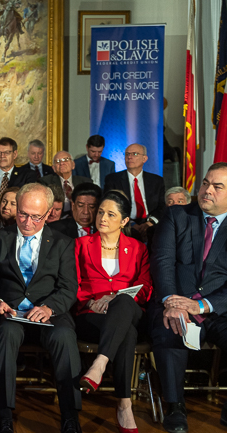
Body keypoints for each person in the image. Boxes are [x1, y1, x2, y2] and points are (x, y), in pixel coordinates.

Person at [0, 183, 82, 433]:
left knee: (64, 336)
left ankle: (70, 415)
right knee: (5, 334)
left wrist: (49, 308)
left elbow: (69, 288)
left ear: (48, 214)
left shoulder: (63, 243)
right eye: (22, 214)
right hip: (11, 313)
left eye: (36, 216)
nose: (27, 222)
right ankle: (3, 415)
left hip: (50, 313)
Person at [149, 162, 227, 432]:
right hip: (176, 303)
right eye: (206, 183)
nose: (207, 190)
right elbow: (162, 261)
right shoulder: (177, 215)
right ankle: (175, 407)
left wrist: (203, 304)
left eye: (218, 187)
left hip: (218, 309)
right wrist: (171, 300)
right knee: (169, 329)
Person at [74, 190, 152, 433]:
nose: (102, 218)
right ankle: (124, 404)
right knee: (126, 333)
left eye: (110, 214)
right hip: (92, 315)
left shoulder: (138, 248)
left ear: (125, 221)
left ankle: (99, 363)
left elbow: (147, 287)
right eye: (100, 212)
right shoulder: (81, 244)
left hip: (130, 308)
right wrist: (88, 302)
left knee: (124, 303)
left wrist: (115, 297)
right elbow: (72, 284)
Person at [104, 143, 166, 239]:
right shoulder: (113, 179)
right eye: (127, 154)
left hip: (151, 223)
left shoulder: (156, 181)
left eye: (135, 154)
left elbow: (162, 206)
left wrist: (150, 222)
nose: (129, 157)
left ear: (144, 158)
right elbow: (111, 206)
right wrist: (131, 223)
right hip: (125, 224)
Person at [40, 151, 92, 219]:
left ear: (73, 165)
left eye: (66, 160)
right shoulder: (46, 182)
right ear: (54, 168)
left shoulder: (85, 182)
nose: (62, 163)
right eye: (58, 161)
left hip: (80, 219)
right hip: (57, 219)